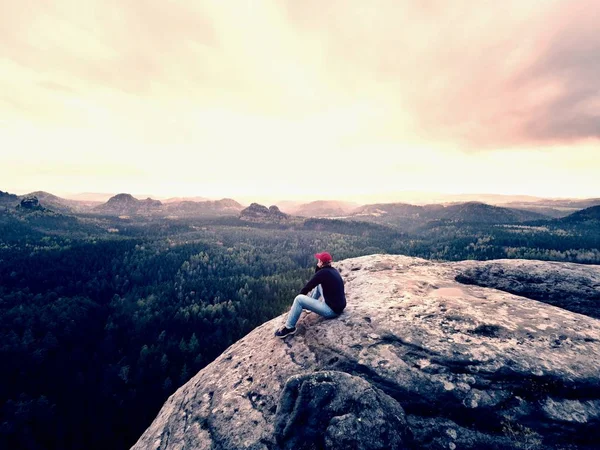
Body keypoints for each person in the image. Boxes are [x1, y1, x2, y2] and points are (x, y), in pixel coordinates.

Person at [275, 251, 346, 338]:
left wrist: (300, 299)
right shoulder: (332, 270)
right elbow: (317, 277)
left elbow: (308, 286)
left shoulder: (322, 273)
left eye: (318, 260)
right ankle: (309, 308)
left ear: (321, 263)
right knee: (319, 284)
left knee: (299, 299)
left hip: (331, 311)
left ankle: (289, 328)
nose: (317, 261)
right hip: (339, 306)